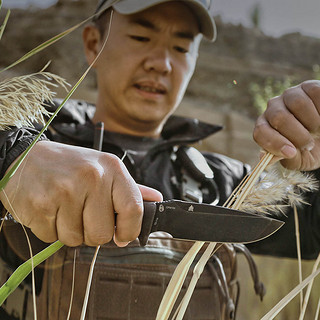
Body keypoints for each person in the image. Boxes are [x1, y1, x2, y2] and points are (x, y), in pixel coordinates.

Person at [0, 0, 319, 319]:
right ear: (93, 44)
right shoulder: (30, 139)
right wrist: (14, 159)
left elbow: (312, 228)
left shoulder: (221, 182)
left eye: (181, 48)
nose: (162, 63)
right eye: (141, 38)